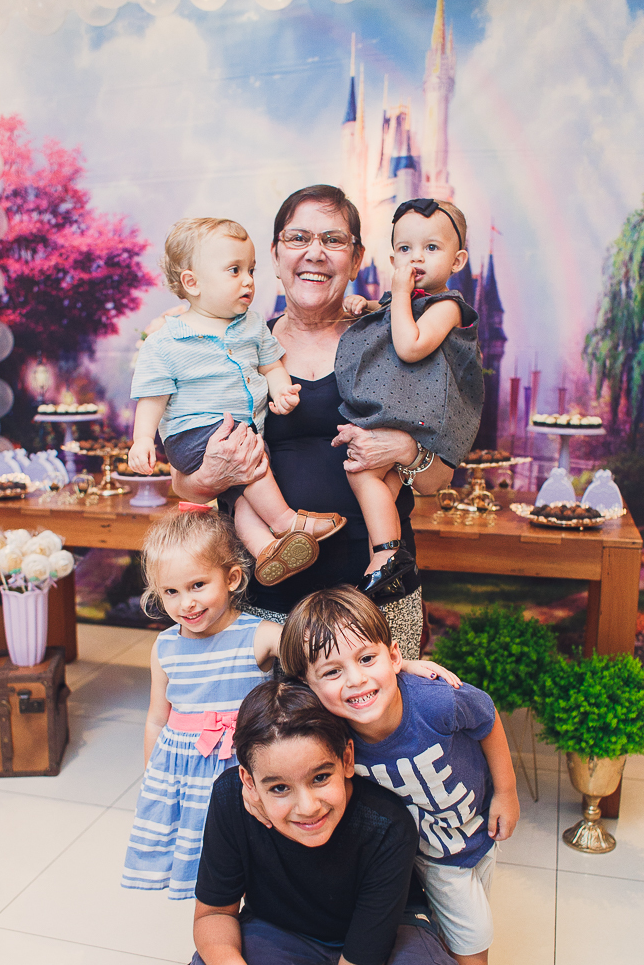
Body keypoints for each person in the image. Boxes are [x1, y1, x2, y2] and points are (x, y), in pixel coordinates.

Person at [277, 587, 551, 965]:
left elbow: (488, 720)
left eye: (367, 659)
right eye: (331, 672)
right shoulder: (328, 729)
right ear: (307, 687)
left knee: (457, 931)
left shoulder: (434, 701)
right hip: (421, 860)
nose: (355, 680)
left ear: (395, 655)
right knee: (471, 934)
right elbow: (272, 707)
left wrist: (507, 792)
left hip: (473, 836)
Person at [164, 680, 477, 965]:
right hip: (282, 925)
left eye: (320, 777)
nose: (307, 806)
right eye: (278, 788)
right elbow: (213, 915)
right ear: (249, 783)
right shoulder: (232, 798)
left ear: (347, 760)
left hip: (382, 937)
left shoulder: (385, 824)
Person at [160, 186, 461, 657]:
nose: (314, 253)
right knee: (276, 728)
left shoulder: (400, 343)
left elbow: (435, 481)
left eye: (334, 240)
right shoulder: (231, 347)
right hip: (263, 598)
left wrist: (404, 451)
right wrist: (210, 475)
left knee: (378, 724)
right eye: (298, 238)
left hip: (375, 596)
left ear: (357, 258)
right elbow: (183, 481)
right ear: (276, 256)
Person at [128, 216, 345, 587]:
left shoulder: (252, 325)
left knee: (241, 488)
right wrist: (143, 439)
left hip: (240, 430)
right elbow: (153, 396)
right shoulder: (168, 340)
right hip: (195, 432)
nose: (247, 280)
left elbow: (272, 363)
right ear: (192, 283)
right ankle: (286, 522)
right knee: (251, 460)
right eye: (234, 270)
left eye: (251, 270)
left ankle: (266, 552)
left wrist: (280, 389)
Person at [121, 506, 282, 899]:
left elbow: (321, 650)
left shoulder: (259, 635)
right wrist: (152, 779)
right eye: (171, 592)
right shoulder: (165, 647)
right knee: (208, 874)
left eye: (197, 585)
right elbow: (157, 719)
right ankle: (212, 941)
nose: (186, 604)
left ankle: (260, 937)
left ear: (231, 578)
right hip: (185, 778)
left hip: (243, 768)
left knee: (255, 860)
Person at [337, 198, 483, 596]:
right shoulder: (403, 302)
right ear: (391, 255)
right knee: (381, 481)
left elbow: (409, 345)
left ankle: (386, 554)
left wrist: (397, 292)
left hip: (425, 416)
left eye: (431, 248)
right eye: (405, 249)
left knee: (362, 472)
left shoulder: (449, 307)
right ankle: (383, 566)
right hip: (406, 411)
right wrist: (366, 305)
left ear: (457, 261)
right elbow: (389, 318)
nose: (416, 258)